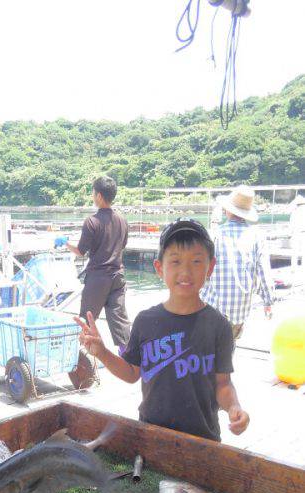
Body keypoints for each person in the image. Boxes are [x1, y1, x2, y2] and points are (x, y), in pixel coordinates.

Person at [75, 219, 249, 442]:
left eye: (196, 261)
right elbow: (131, 373)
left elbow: (222, 384)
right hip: (151, 433)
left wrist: (234, 407)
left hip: (203, 437)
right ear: (159, 268)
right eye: (175, 261)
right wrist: (101, 352)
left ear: (210, 267)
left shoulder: (219, 326)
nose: (185, 271)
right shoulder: (146, 321)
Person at [55, 176, 131, 352]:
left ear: (99, 196)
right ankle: (128, 357)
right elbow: (123, 246)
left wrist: (65, 242)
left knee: (87, 320)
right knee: (120, 322)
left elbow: (81, 251)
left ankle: (80, 357)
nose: (92, 195)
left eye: (93, 192)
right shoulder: (123, 220)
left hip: (98, 278)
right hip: (118, 277)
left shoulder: (92, 221)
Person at [201, 185, 273, 340]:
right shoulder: (257, 236)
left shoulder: (215, 235)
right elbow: (264, 273)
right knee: (228, 351)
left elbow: (202, 270)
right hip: (239, 311)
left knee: (207, 354)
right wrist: (268, 301)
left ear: (227, 210)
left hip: (213, 307)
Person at [289, 194, 305, 273]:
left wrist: (290, 233)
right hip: (303, 233)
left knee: (294, 252)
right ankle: (303, 268)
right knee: (303, 252)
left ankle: (293, 268)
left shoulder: (294, 211)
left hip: (295, 233)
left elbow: (291, 224)